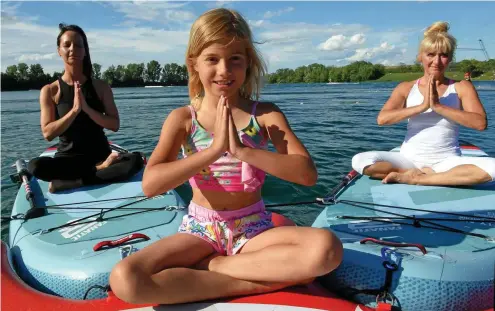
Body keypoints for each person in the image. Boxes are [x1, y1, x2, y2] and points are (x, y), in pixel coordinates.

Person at [109, 8, 343, 305]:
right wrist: (213, 151)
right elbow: (151, 185)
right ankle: (262, 281)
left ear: (248, 63)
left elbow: (307, 175)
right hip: (199, 231)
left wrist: (243, 151)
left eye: (235, 59)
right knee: (125, 278)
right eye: (212, 59)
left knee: (327, 249)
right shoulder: (183, 119)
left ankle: (215, 268)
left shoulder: (266, 115)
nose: (224, 70)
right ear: (193, 64)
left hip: (254, 228)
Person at [352, 21, 495, 186]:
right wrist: (422, 106)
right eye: (431, 54)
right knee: (360, 160)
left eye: (443, 55)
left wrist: (438, 107)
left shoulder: (462, 87)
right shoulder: (405, 87)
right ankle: (415, 174)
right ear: (420, 57)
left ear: (450, 59)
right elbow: (382, 119)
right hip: (408, 160)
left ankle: (418, 178)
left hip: (447, 162)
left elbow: (480, 123)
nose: (437, 61)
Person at [28, 24, 143, 193]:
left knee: (136, 160)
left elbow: (114, 124)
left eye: (79, 45)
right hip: (68, 160)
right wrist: (75, 110)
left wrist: (88, 109)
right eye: (67, 45)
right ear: (59, 50)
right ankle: (100, 170)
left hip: (101, 154)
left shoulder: (101, 87)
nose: (73, 49)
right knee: (35, 166)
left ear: (85, 51)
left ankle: (76, 181)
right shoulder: (50, 91)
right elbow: (48, 133)